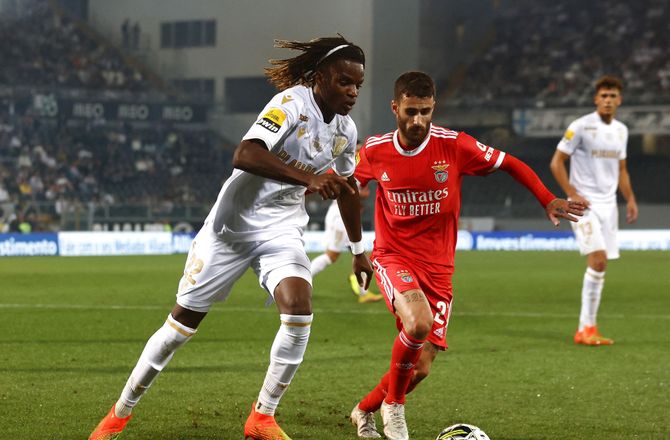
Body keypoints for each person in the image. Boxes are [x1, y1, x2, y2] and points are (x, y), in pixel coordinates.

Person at [89, 35, 372, 440]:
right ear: (321, 76)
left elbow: (348, 190)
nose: (353, 92)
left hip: (281, 228)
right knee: (180, 326)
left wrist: (359, 251)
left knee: (299, 309)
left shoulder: (346, 130)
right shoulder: (291, 104)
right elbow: (245, 153)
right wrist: (308, 178)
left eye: (358, 84)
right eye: (345, 81)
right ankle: (120, 412)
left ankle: (262, 418)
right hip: (231, 227)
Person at [348, 71, 585, 440]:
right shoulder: (375, 150)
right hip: (393, 256)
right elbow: (345, 184)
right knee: (418, 323)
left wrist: (546, 198)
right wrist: (354, 243)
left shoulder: (455, 146)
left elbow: (510, 163)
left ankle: (364, 409)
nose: (418, 121)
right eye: (410, 112)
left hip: (439, 268)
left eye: (425, 111)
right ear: (395, 108)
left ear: (433, 107)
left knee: (420, 368)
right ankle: (393, 408)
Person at [550, 75, 637, 346]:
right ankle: (586, 329)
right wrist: (572, 193)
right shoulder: (580, 127)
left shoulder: (621, 131)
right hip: (583, 206)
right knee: (598, 260)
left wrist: (630, 199)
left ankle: (587, 329)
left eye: (613, 96)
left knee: (602, 266)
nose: (608, 100)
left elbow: (622, 170)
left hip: (609, 206)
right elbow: (556, 162)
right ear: (596, 99)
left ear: (619, 100)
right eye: (604, 96)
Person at [310, 156, 384, 304]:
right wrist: (360, 193)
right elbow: (348, 191)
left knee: (360, 253)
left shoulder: (356, 166)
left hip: (348, 216)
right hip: (341, 216)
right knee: (332, 256)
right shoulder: (347, 167)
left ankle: (363, 292)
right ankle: (302, 280)